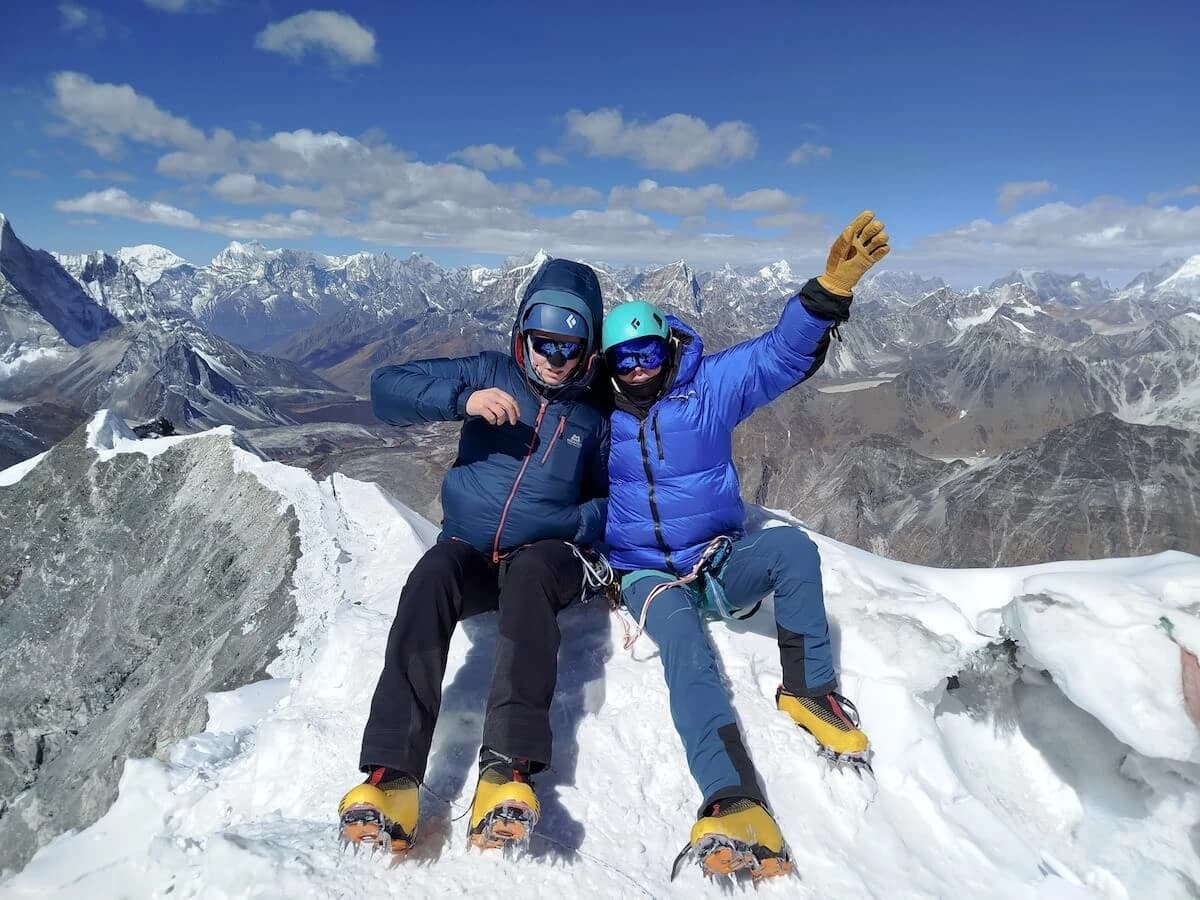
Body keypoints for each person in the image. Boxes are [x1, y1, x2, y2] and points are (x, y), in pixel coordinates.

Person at [601, 211, 890, 881]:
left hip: (717, 557)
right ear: (609, 365)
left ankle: (809, 691)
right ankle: (732, 799)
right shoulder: (596, 413)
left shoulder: (706, 392)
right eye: (625, 359)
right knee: (688, 658)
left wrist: (828, 291)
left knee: (791, 550)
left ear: (668, 348)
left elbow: (777, 355)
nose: (640, 369)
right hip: (649, 577)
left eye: (649, 353)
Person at [338, 258, 610, 856]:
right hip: (469, 549)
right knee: (432, 576)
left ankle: (508, 770)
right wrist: (463, 397)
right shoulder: (489, 372)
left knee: (534, 574)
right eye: (543, 343)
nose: (552, 360)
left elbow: (610, 499)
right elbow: (386, 390)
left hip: (544, 554)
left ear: (587, 349)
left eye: (568, 348)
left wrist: (567, 524)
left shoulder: (593, 414)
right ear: (524, 334)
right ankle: (392, 776)